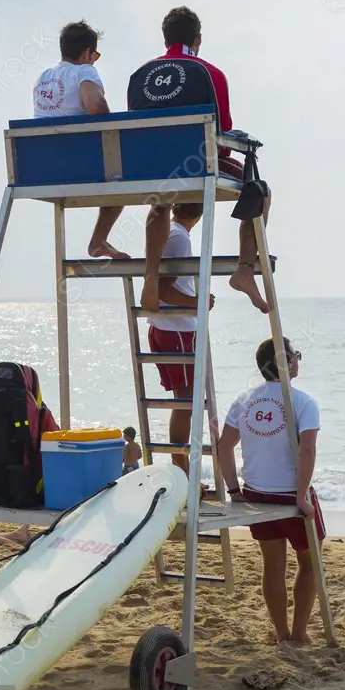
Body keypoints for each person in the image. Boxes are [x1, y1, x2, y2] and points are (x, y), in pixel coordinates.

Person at [89, 6, 271, 314]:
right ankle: (244, 268)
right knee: (260, 189)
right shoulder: (210, 73)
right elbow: (222, 138)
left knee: (160, 200)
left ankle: (150, 276)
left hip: (151, 171)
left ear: (165, 40)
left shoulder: (141, 75)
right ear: (197, 39)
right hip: (198, 167)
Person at [217, 338, 326, 644]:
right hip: (289, 495)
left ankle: (282, 634)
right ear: (288, 363)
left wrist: (234, 489)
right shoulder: (302, 402)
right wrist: (302, 495)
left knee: (273, 565)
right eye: (296, 356)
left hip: (256, 494)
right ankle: (300, 633)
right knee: (309, 562)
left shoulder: (244, 399)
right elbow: (307, 452)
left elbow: (224, 447)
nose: (298, 361)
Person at [33, 20, 129, 260]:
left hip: (44, 170)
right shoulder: (84, 71)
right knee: (123, 174)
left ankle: (99, 242)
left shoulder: (43, 77)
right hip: (78, 168)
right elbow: (95, 106)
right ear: (87, 52)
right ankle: (98, 240)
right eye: (94, 55)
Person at [147, 203, 213, 494]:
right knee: (186, 403)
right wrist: (197, 303)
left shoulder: (167, 230)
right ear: (200, 214)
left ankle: (181, 470)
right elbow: (163, 288)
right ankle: (182, 473)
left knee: (183, 402)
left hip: (164, 327)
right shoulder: (180, 237)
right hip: (178, 328)